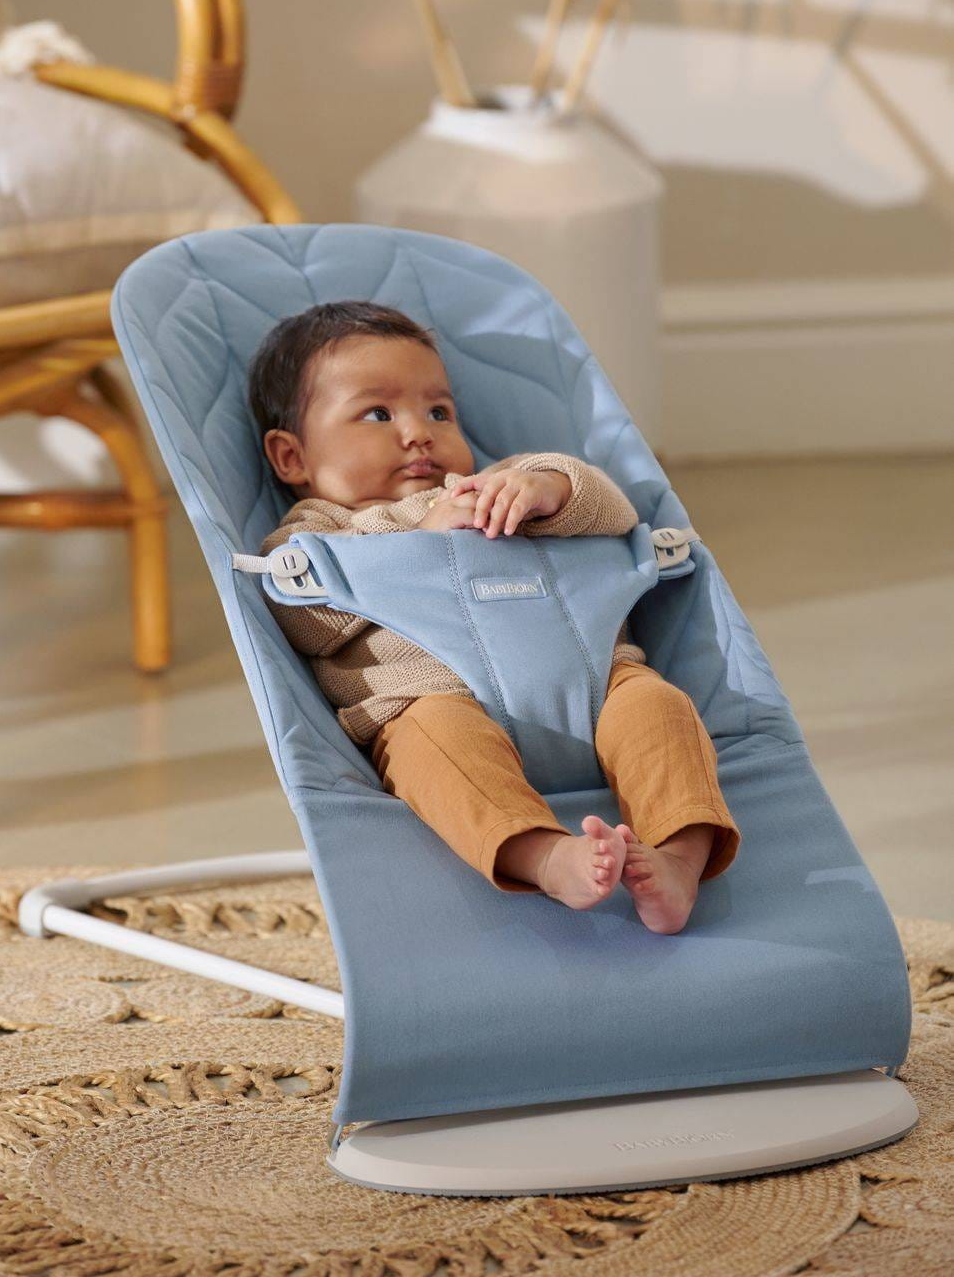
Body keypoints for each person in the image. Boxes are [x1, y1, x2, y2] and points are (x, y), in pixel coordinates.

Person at [251, 300, 740, 934]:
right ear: (291, 457)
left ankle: (678, 857)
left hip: (596, 682)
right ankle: (543, 855)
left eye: (439, 411)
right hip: (433, 702)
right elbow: (305, 624)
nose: (419, 433)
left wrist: (549, 488)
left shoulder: (496, 485)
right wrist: (415, 535)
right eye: (378, 414)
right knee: (432, 750)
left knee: (660, 708)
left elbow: (613, 514)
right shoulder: (316, 532)